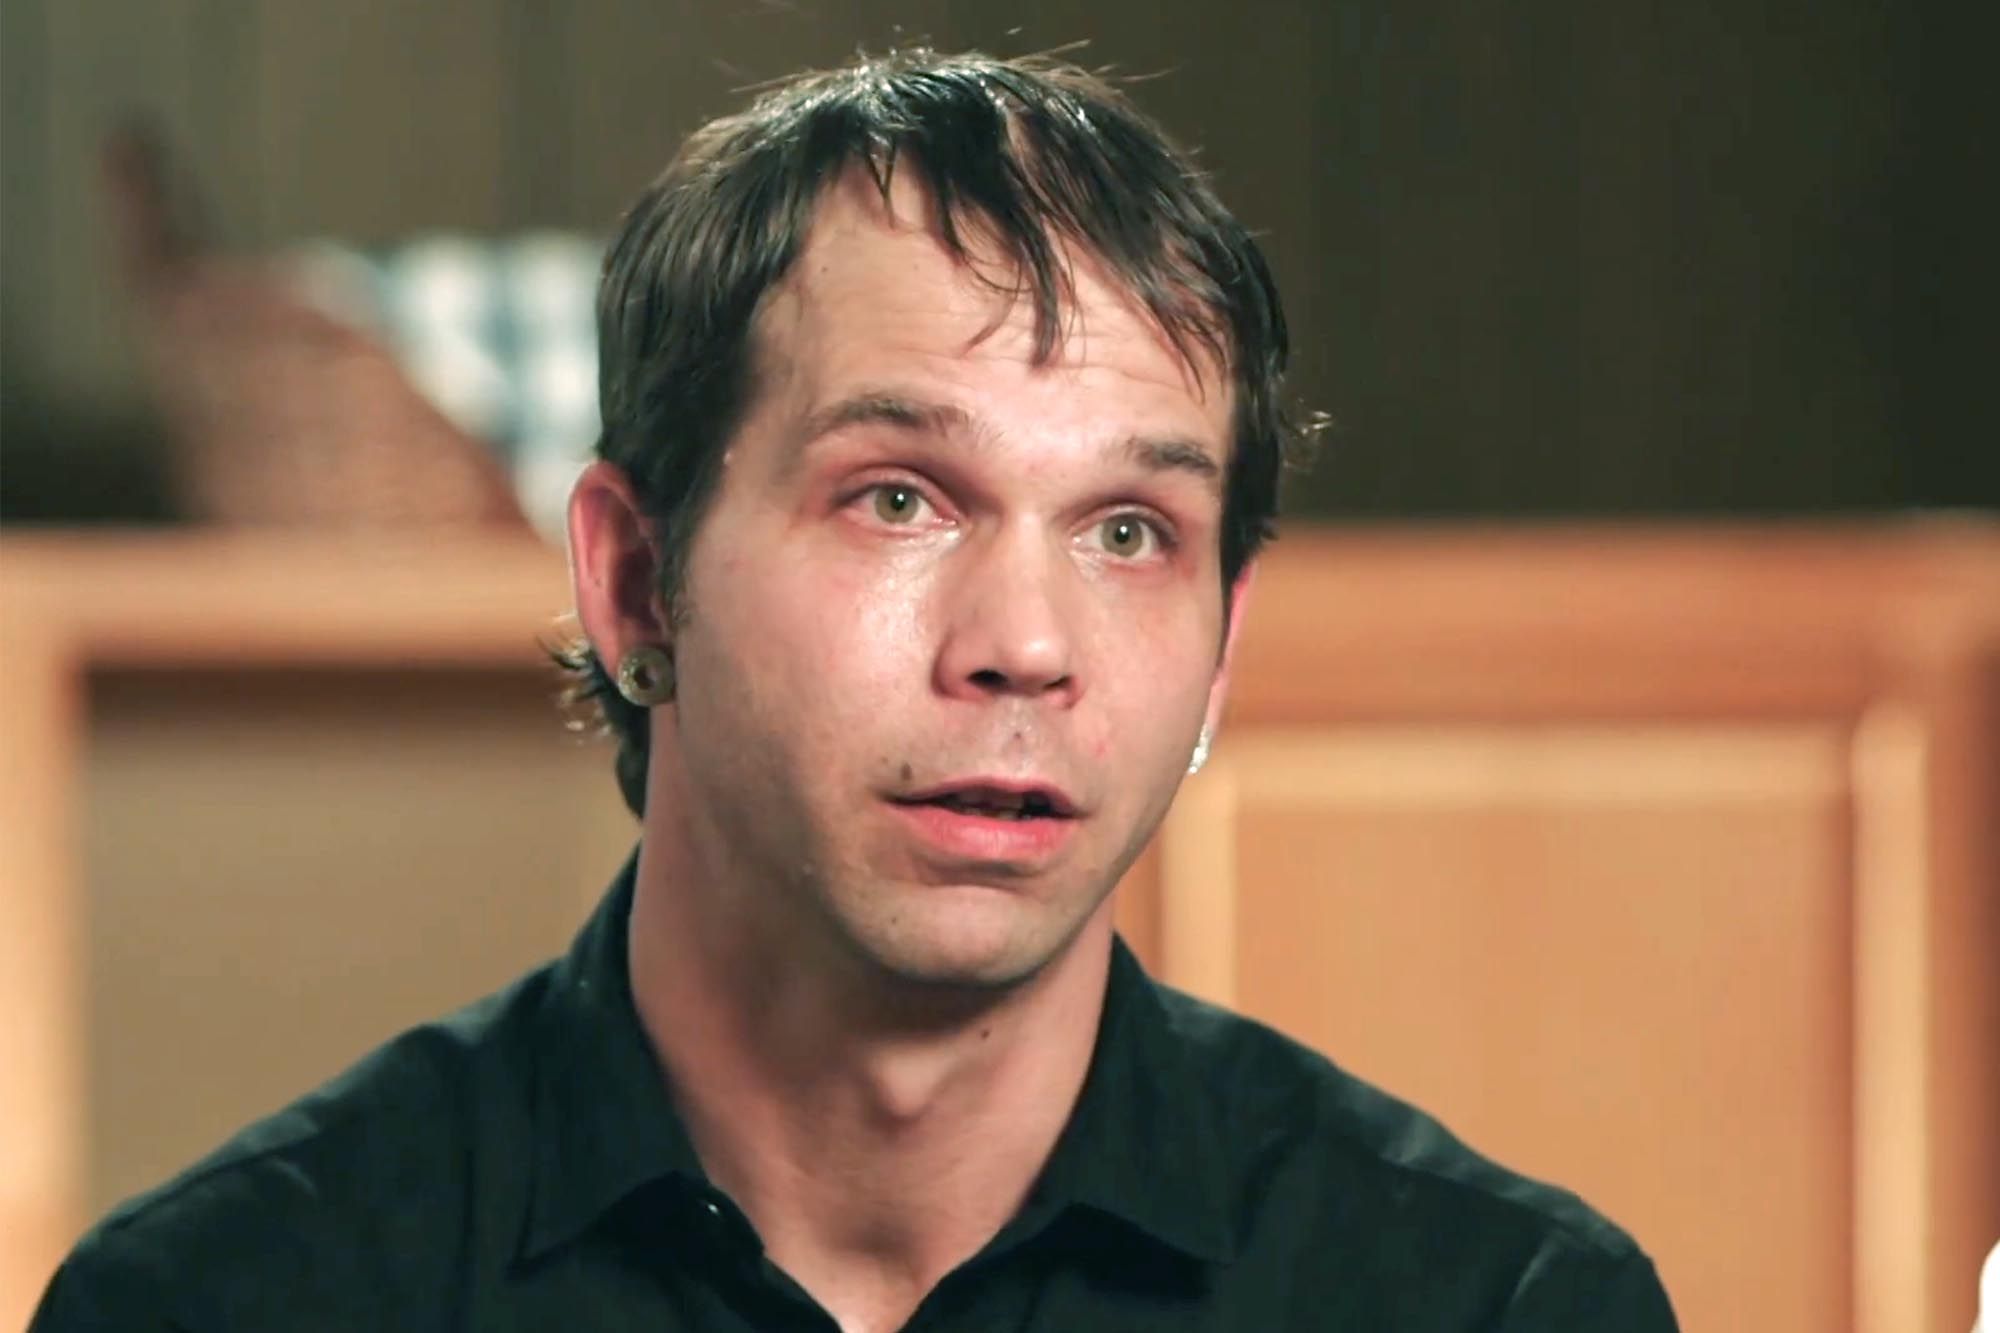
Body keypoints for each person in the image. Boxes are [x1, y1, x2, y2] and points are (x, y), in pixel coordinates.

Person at [31, 49, 1678, 1332]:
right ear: (634, 580)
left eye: (1128, 530)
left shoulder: (1497, 1305)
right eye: (900, 497)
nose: (1024, 642)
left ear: (1222, 648)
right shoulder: (226, 1300)